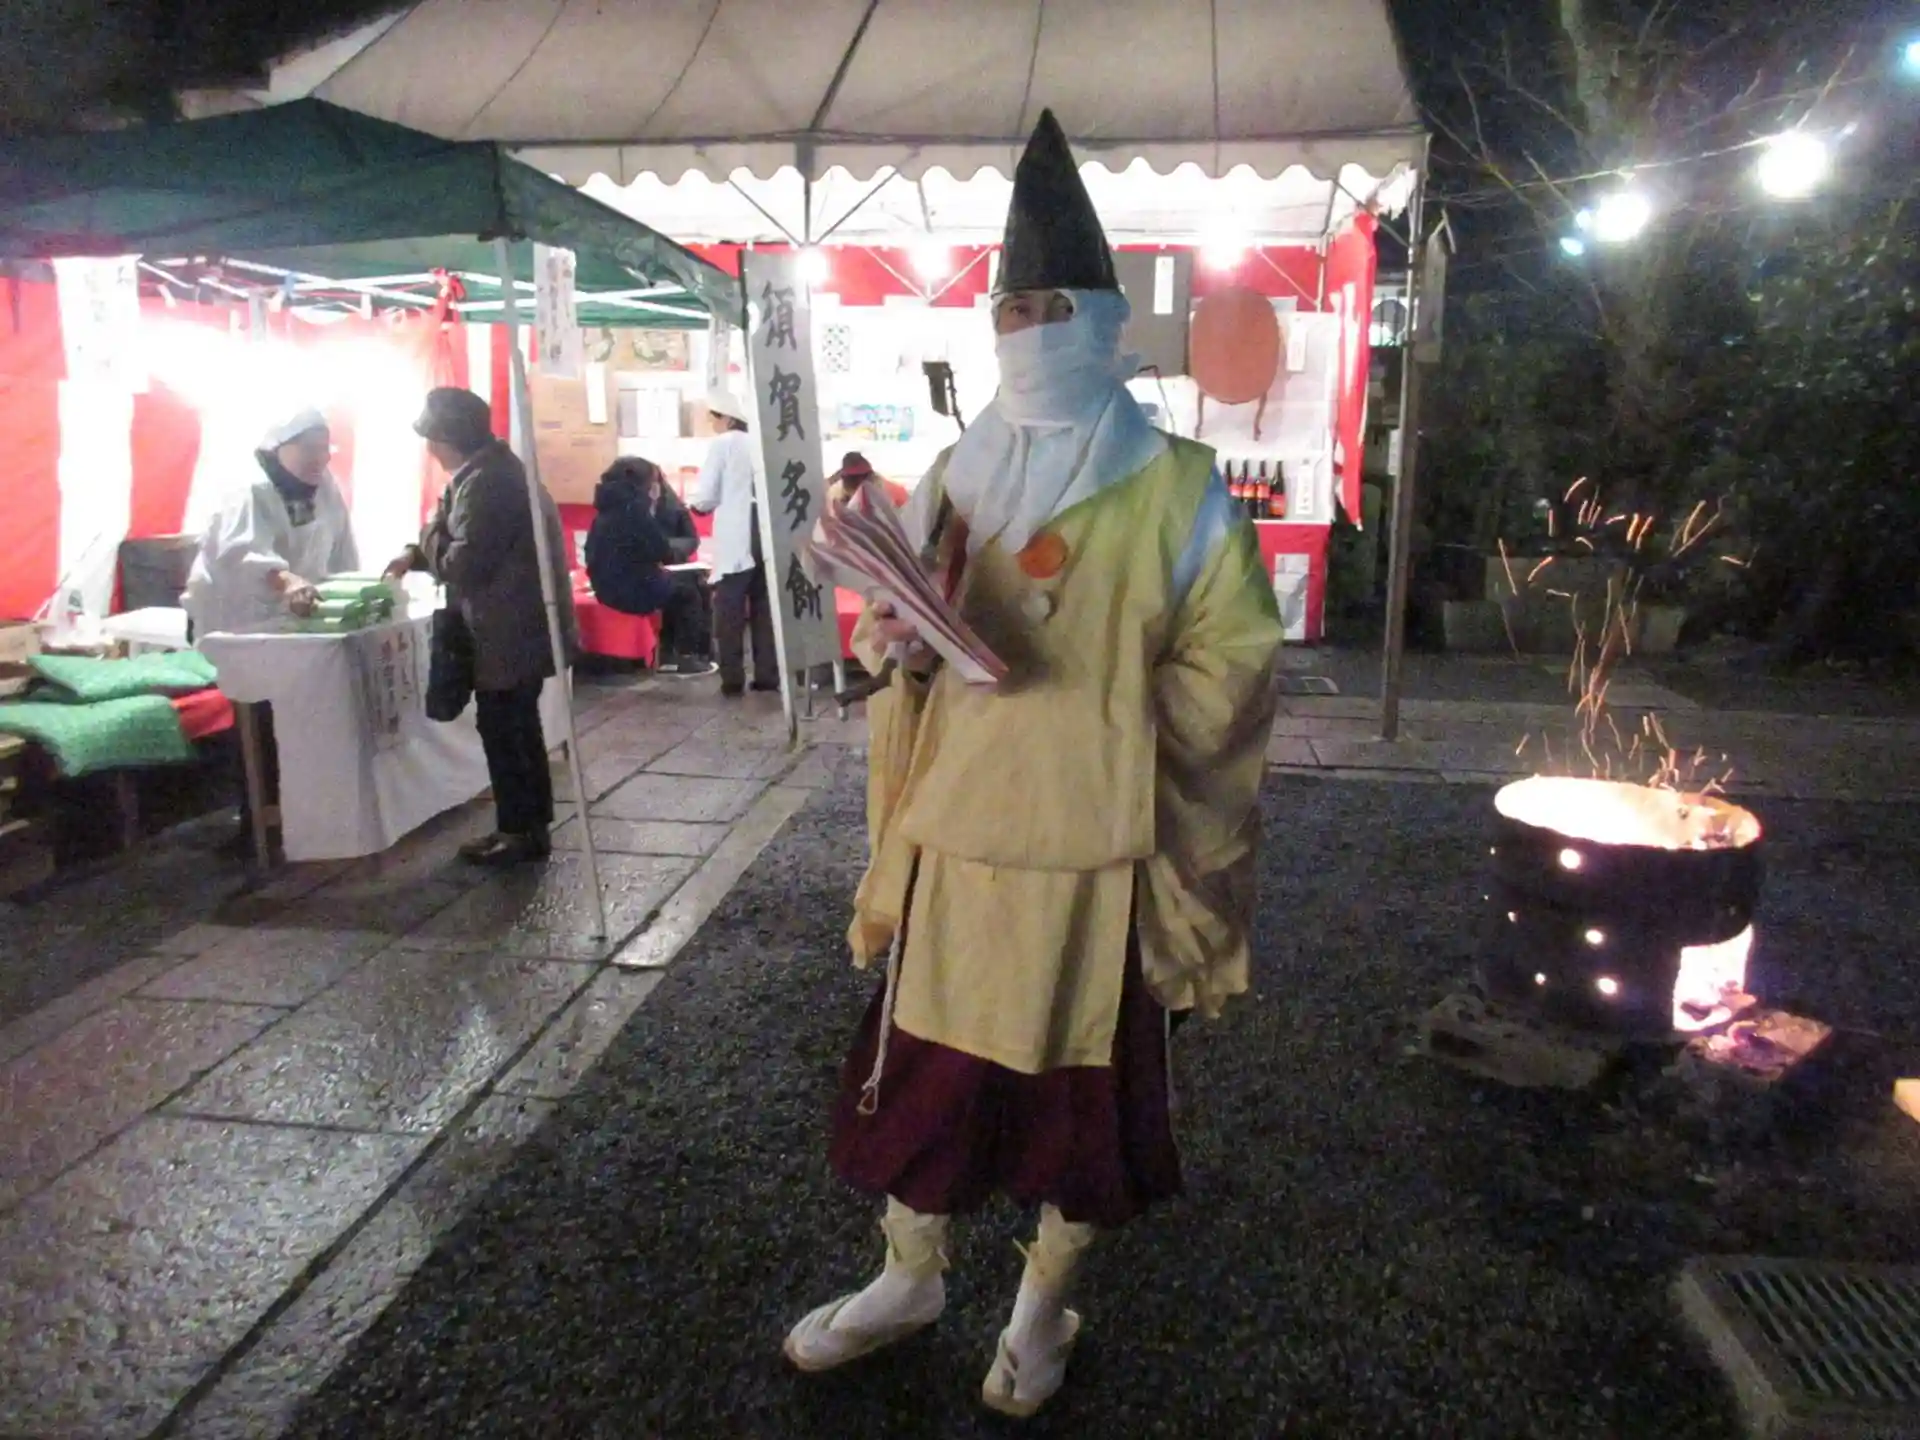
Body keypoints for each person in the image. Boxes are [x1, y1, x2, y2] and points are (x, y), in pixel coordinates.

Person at [782, 110, 1285, 1418]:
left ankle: (1042, 1306)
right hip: (961, 841)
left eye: (1053, 311)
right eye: (1012, 311)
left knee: (1079, 1100)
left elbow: (1235, 661)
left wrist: (1102, 719)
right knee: (929, 1077)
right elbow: (898, 632)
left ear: (1104, 325)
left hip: (1100, 850)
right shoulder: (958, 471)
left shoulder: (1180, 487)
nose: (1029, 332)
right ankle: (910, 1277)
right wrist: (899, 643)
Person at [384, 387, 577, 866]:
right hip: (513, 628)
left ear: (444, 439)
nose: (430, 449)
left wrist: (428, 532)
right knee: (515, 729)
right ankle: (525, 827)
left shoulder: (488, 482)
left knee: (507, 732)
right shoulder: (492, 472)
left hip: (507, 631)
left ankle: (520, 832)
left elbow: (463, 563)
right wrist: (420, 549)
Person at [183, 405, 359, 855]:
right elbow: (242, 553)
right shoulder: (249, 487)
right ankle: (256, 825)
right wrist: (288, 582)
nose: (319, 458)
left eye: (325, 449)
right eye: (309, 449)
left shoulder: (325, 485)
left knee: (302, 716)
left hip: (296, 620)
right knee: (256, 719)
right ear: (279, 447)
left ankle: (304, 817)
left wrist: (353, 593)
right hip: (242, 620)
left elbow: (341, 546)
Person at [585, 457, 714, 677]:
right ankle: (686, 658)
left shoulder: (607, 508)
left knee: (676, 586)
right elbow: (660, 550)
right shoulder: (635, 510)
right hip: (630, 591)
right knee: (688, 592)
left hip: (605, 586)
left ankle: (670, 656)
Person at [688, 391, 778, 697]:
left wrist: (696, 505)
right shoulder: (763, 442)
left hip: (739, 532)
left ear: (726, 418)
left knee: (729, 607)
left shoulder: (723, 443)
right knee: (765, 606)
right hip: (767, 530)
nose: (712, 424)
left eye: (713, 418)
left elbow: (706, 496)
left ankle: (732, 677)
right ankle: (768, 675)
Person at [826, 451, 910, 511]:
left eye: (864, 477)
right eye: (855, 479)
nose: (861, 482)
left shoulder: (894, 492)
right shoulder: (836, 495)